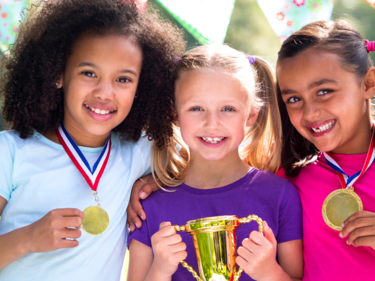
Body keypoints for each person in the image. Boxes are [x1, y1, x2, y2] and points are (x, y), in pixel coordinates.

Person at [0, 0, 184, 280]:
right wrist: (27, 238)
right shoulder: (9, 152)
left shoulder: (140, 150)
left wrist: (154, 181)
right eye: (88, 73)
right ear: (58, 73)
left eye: (123, 79)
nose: (105, 92)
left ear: (141, 87)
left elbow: (198, 165)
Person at [127, 45, 303, 281]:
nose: (212, 123)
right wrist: (159, 270)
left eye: (228, 109)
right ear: (174, 114)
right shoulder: (149, 205)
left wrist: (270, 273)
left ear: (252, 114)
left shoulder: (281, 196)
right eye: (196, 108)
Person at [276, 20, 375, 280]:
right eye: (294, 99)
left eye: (324, 91)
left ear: (368, 84)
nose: (309, 113)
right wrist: (158, 181)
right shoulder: (288, 182)